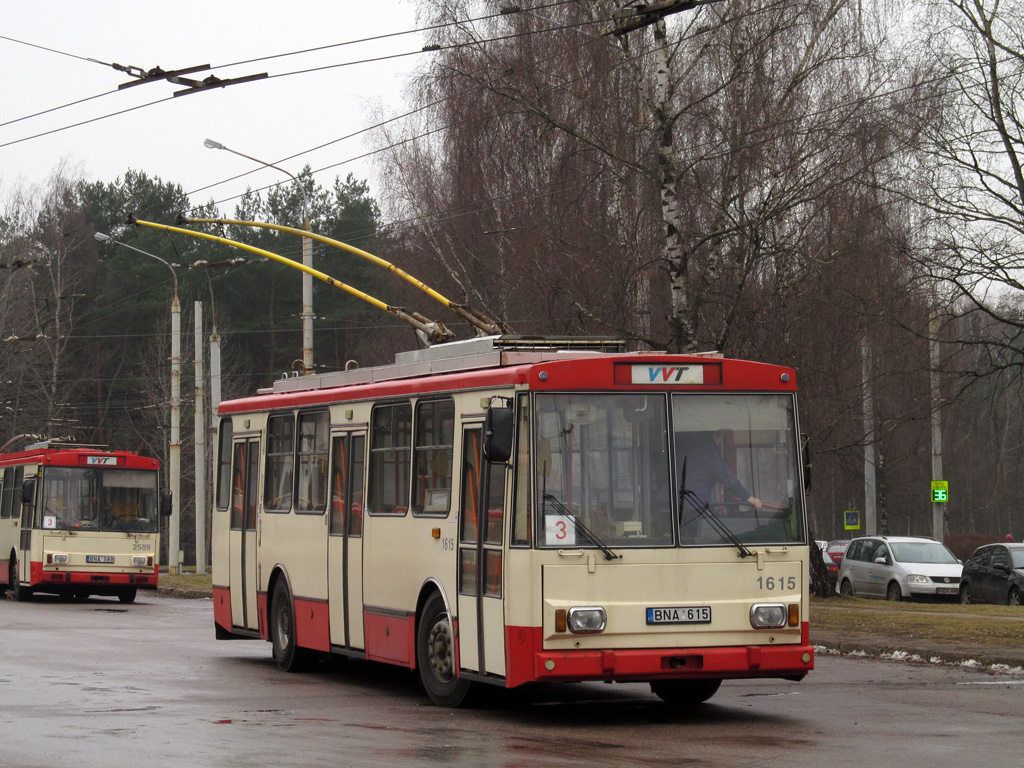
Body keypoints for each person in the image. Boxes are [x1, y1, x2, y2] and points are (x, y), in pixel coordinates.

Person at [677, 431, 762, 513]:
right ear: (715, 435)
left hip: (674, 503)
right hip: (687, 506)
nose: (720, 442)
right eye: (721, 437)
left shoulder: (690, 448)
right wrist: (750, 499)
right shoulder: (707, 449)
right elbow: (727, 478)